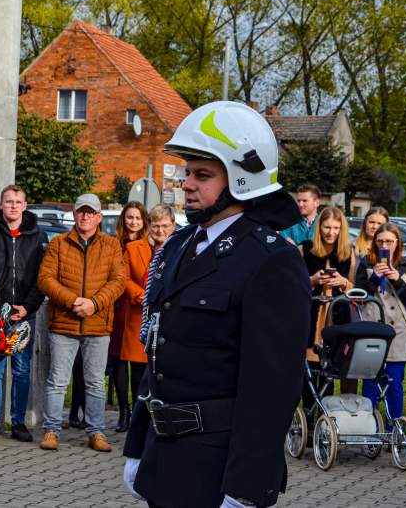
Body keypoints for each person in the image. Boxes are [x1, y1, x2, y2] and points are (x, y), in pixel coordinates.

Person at [123, 101, 309, 508]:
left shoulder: (271, 260)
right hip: (165, 457)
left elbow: (271, 389)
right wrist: (138, 444)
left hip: (217, 467)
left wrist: (247, 487)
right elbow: (158, 352)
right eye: (188, 172)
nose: (186, 183)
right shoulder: (179, 246)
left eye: (202, 174)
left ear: (243, 180)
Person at [37, 193, 126, 453]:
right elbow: (45, 279)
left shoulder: (111, 245)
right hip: (64, 322)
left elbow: (118, 281)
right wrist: (73, 300)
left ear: (99, 217)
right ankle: (51, 429)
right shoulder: (59, 243)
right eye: (81, 211)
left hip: (97, 325)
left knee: (95, 382)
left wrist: (94, 303)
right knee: (57, 381)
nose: (85, 216)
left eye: (91, 212)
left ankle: (96, 431)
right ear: (74, 215)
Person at [0, 184, 47, 443]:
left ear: (25, 206)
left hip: (24, 314)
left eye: (18, 201)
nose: (13, 206)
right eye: (8, 201)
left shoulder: (37, 237)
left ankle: (18, 422)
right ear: (1, 205)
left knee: (21, 369)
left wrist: (28, 307)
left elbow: (43, 278)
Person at [116, 205, 176, 433]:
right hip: (139, 316)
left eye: (165, 226)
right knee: (139, 371)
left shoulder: (180, 246)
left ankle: (160, 415)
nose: (160, 230)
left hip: (168, 318)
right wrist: (141, 295)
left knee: (161, 371)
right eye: (156, 225)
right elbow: (123, 278)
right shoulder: (133, 248)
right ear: (148, 226)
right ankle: (135, 417)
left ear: (172, 226)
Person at [355, 222, 406, 422]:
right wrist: (375, 278)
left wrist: (397, 279)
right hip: (372, 330)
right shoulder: (366, 263)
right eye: (380, 241)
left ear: (397, 243)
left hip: (397, 333)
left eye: (389, 241)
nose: (385, 245)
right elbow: (359, 296)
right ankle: (369, 428)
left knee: (394, 384)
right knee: (370, 383)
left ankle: (394, 430)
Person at [300, 206, 357, 398]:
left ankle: (325, 421)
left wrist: (343, 282)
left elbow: (354, 288)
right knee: (309, 372)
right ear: (319, 227)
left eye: (335, 228)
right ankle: (308, 417)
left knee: (329, 373)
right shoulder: (306, 248)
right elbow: (293, 285)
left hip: (336, 317)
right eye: (326, 227)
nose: (331, 232)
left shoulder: (348, 252)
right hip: (310, 316)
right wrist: (313, 280)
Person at [110, 202, 149, 432]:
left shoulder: (146, 245)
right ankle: (123, 412)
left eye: (137, 218)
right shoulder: (114, 243)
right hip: (117, 309)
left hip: (135, 310)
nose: (133, 222)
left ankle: (135, 412)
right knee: (117, 362)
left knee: (136, 365)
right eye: (129, 217)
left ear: (144, 221)